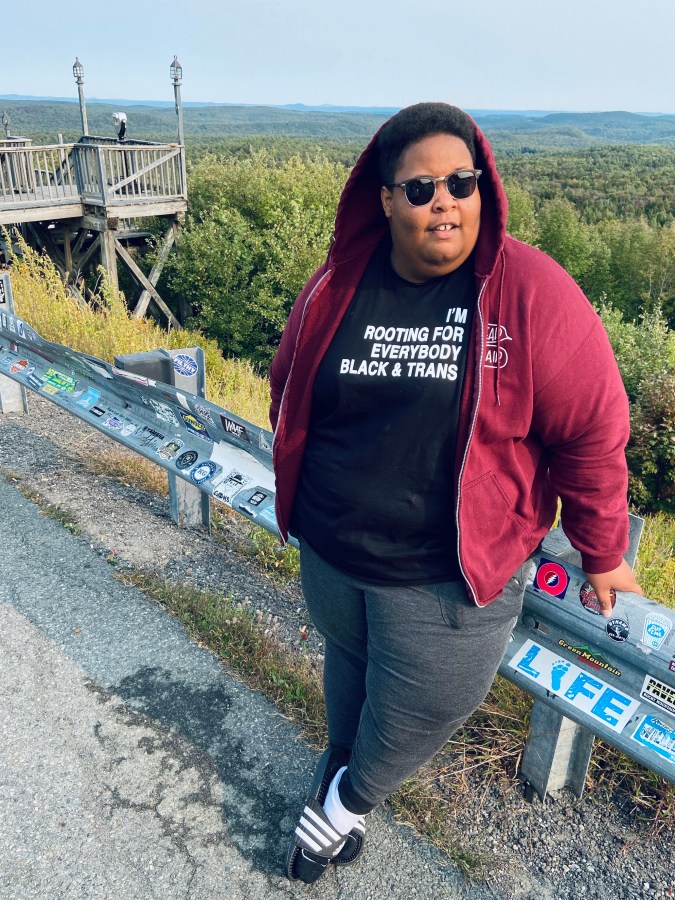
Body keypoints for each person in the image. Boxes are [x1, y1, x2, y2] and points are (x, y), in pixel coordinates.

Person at [269, 102, 642, 885]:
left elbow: (591, 428)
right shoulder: (338, 283)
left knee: (417, 710)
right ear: (385, 198)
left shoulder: (530, 292)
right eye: (421, 187)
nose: (443, 200)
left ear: (483, 188)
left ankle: (341, 805)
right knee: (350, 670)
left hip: (446, 574)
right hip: (333, 549)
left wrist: (603, 549)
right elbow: (291, 385)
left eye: (461, 182)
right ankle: (340, 770)